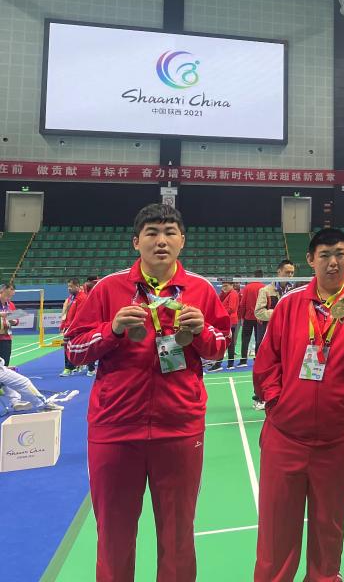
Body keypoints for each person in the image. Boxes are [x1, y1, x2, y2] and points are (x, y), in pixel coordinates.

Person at [65, 203, 230, 582]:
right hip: (115, 430)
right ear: (136, 241)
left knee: (178, 536)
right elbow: (73, 350)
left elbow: (220, 346)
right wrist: (111, 330)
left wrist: (202, 331)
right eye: (152, 233)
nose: (161, 240)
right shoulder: (108, 288)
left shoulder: (201, 290)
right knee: (114, 536)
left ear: (182, 241)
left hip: (180, 428)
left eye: (170, 232)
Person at [253, 228, 344, 582]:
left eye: (339, 254)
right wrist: (277, 403)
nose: (333, 262)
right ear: (311, 260)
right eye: (324, 255)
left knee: (329, 528)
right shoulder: (289, 305)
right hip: (285, 438)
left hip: (339, 442)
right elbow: (266, 363)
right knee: (276, 532)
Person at [253, 260, 296, 408]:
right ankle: (259, 398)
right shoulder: (265, 290)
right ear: (279, 272)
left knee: (287, 366)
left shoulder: (294, 290)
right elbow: (258, 312)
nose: (290, 275)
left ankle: (284, 396)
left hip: (288, 335)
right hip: (268, 334)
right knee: (266, 366)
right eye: (287, 272)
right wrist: (279, 313)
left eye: (292, 273)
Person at [209, 281, 240, 371]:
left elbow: (231, 308)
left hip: (230, 321)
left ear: (232, 285)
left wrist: (220, 313)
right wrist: (223, 292)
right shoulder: (228, 293)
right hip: (228, 321)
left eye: (226, 286)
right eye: (223, 286)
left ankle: (219, 364)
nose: (224, 287)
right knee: (229, 343)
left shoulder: (233, 294)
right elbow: (218, 300)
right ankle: (229, 364)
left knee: (225, 343)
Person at [238, 270, 264, 367]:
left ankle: (243, 360)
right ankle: (258, 359)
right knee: (259, 339)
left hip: (248, 317)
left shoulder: (247, 287)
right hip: (260, 318)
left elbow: (242, 303)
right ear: (262, 277)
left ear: (253, 276)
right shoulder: (264, 287)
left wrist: (241, 316)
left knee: (245, 339)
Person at [59, 279, 83, 377]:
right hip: (68, 327)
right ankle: (69, 367)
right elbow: (66, 312)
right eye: (68, 286)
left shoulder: (82, 298)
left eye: (71, 286)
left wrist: (72, 327)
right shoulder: (70, 298)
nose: (69, 288)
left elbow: (79, 315)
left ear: (77, 286)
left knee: (73, 347)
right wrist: (63, 324)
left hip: (75, 328)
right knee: (66, 347)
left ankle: (70, 367)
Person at [0, 283, 18, 369]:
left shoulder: (11, 305)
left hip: (6, 338)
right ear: (2, 291)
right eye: (8, 294)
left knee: (4, 365)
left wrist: (13, 321)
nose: (9, 297)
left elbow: (16, 321)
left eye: (11, 296)